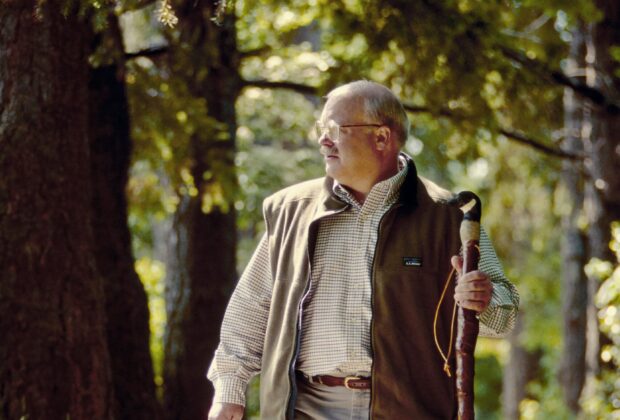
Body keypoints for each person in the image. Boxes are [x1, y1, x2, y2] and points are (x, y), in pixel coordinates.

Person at [207, 80, 519, 419]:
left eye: (334, 129)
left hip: (408, 409)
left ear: (382, 137)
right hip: (306, 408)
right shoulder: (290, 211)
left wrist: (483, 300)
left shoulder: (449, 216)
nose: (322, 139)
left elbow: (504, 317)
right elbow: (251, 309)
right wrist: (229, 391)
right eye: (320, 128)